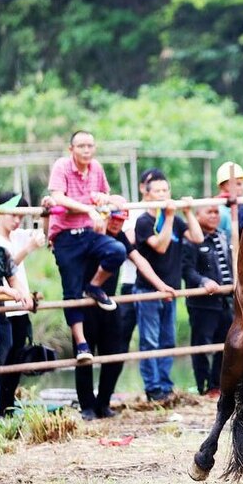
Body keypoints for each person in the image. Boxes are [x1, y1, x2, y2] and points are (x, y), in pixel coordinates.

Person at [76, 196, 177, 419]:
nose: (117, 223)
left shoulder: (120, 237)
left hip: (109, 301)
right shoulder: (91, 233)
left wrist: (162, 287)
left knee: (115, 353)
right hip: (84, 300)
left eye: (122, 219)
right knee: (85, 355)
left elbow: (139, 260)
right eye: (114, 218)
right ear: (105, 215)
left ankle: (103, 402)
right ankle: (87, 406)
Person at [47, 131, 128, 362]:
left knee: (116, 250)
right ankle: (81, 344)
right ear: (71, 149)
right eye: (81, 146)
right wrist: (88, 208)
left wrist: (104, 199)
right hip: (65, 236)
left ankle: (94, 286)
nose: (86, 150)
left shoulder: (96, 168)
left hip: (90, 233)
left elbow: (105, 194)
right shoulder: (62, 166)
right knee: (71, 291)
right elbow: (58, 197)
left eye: (90, 146)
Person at [135, 176, 203, 401]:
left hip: (171, 290)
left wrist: (188, 212)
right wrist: (171, 216)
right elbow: (161, 247)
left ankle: (165, 385)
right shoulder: (144, 221)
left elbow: (197, 237)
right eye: (158, 191)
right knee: (150, 341)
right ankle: (153, 388)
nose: (163, 194)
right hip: (148, 291)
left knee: (168, 340)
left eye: (166, 189)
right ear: (147, 194)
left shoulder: (173, 218)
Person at [0, 193, 46, 417]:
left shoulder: (17, 236)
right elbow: (8, 268)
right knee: (2, 360)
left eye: (21, 216)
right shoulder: (0, 242)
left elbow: (43, 233)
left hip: (18, 306)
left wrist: (45, 210)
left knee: (15, 357)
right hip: (4, 306)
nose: (17, 221)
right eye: (13, 215)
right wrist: (27, 249)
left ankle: (6, 408)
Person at [182, 204, 233, 396]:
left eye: (216, 212)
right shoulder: (191, 238)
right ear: (197, 215)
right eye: (209, 212)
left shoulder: (222, 235)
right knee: (202, 345)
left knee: (225, 343)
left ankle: (217, 385)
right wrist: (203, 281)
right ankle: (203, 387)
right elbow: (186, 270)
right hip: (202, 303)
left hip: (225, 300)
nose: (214, 216)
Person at [116, 168, 167, 361]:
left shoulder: (167, 214)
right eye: (154, 186)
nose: (159, 192)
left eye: (163, 188)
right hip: (132, 281)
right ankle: (110, 389)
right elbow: (129, 244)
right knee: (122, 337)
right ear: (143, 188)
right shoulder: (134, 212)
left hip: (162, 282)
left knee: (160, 338)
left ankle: (159, 387)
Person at [214, 161, 243, 242]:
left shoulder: (239, 207)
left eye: (242, 184)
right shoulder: (219, 210)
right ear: (223, 185)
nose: (242, 188)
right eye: (238, 184)